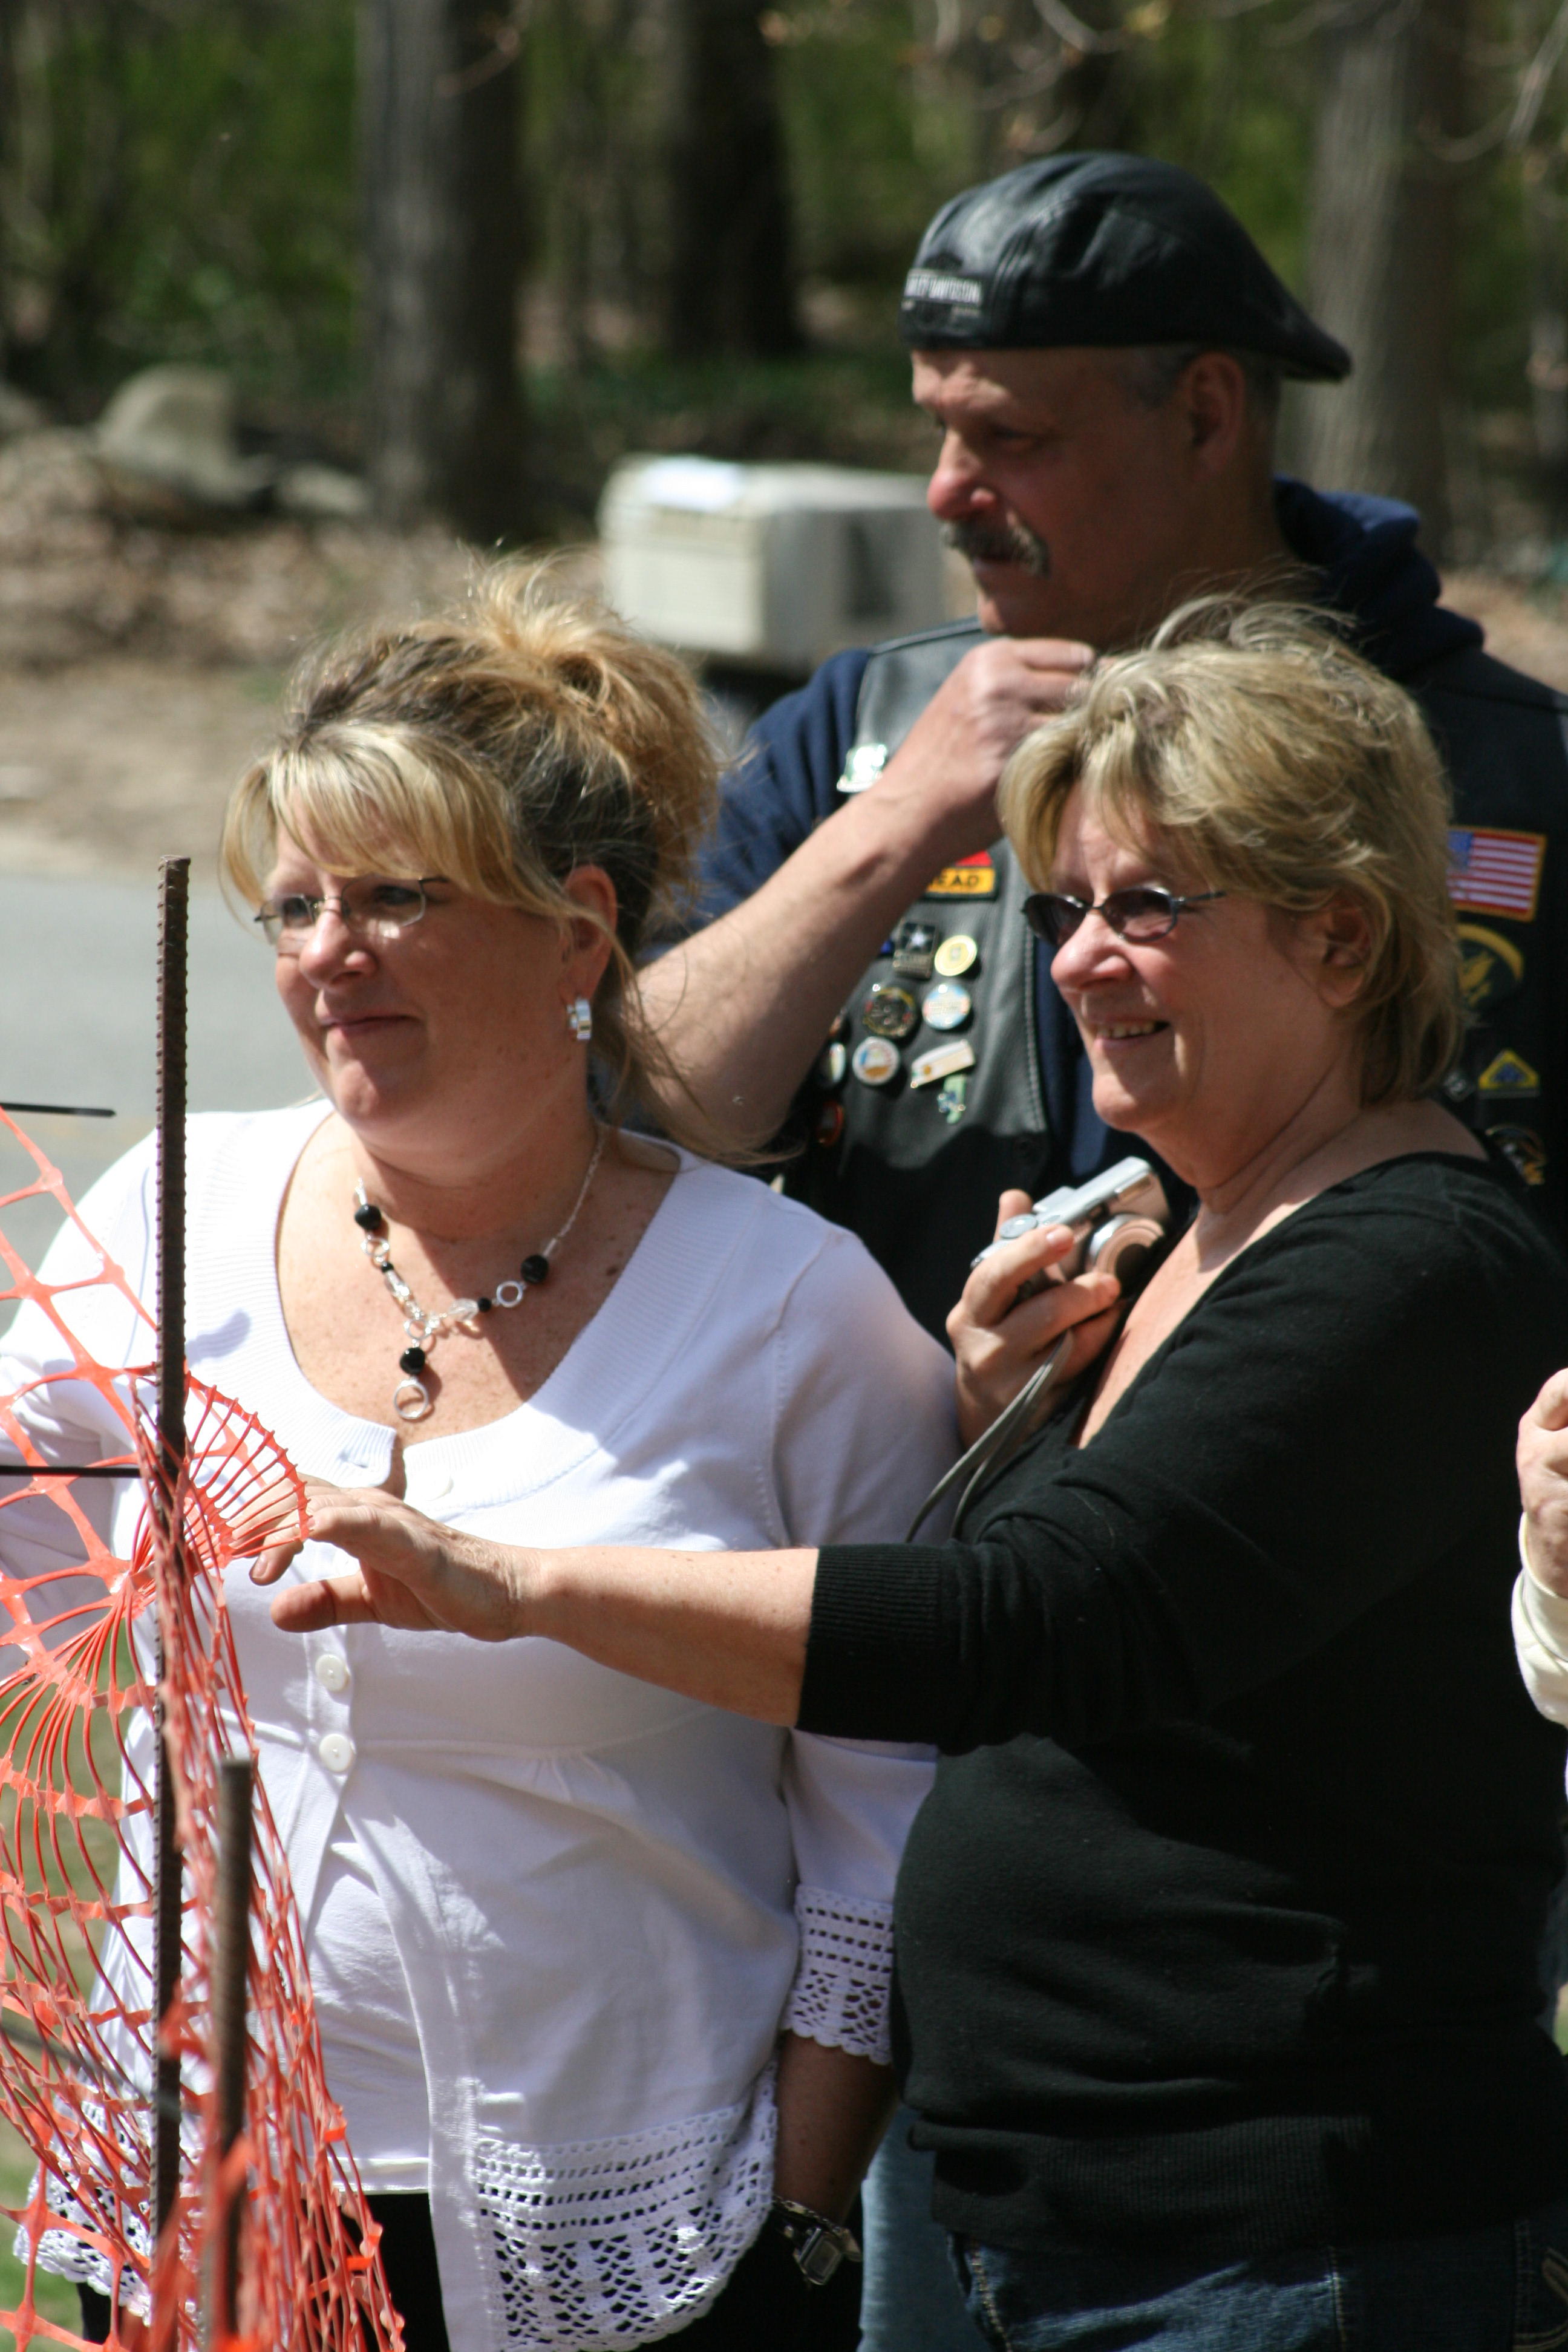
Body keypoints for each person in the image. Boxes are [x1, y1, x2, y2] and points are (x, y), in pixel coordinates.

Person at [254, 606, 1568, 2351]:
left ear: (1340, 938)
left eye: (1148, 907)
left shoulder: (1411, 1259)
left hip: (1290, 2243)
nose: (1081, 962)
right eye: (1061, 910)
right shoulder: (1190, 1243)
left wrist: (512, 1586)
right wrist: (998, 1413)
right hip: (1108, 2235)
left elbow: (1046, 1621)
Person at [3, 569, 958, 2352]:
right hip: (192, 2197)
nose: (327, 954)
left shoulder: (792, 1315)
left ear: (579, 933)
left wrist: (806, 2220)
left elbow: (885, 1819)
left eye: (395, 898)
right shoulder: (166, 1213)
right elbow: (27, 1590)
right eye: (296, 905)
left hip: (632, 2231)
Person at [639, 151, 1568, 1348]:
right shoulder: (858, 732)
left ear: (1206, 415)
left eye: (1010, 437)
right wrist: (893, 826)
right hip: (930, 1462)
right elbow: (641, 1121)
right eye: (938, 430)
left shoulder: (1520, 773)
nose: (946, 492)